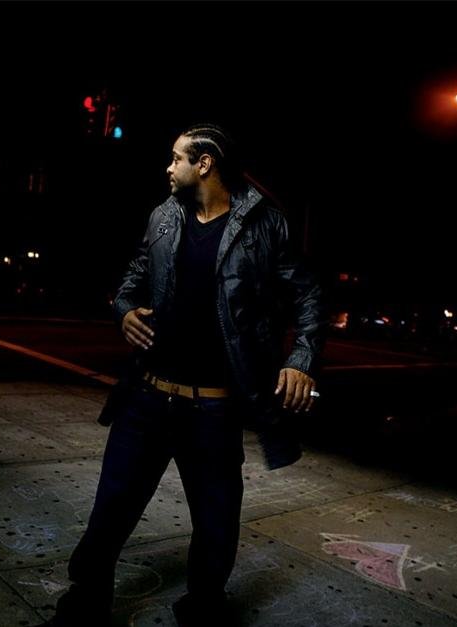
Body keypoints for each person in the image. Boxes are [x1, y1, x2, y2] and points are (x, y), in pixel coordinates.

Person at [43, 123, 327, 626]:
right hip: (147, 399)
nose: (168, 167)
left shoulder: (265, 225)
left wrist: (299, 360)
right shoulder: (164, 216)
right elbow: (133, 277)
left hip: (213, 410)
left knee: (216, 526)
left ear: (205, 163)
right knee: (109, 512)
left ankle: (203, 611)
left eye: (177, 158)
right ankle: (86, 604)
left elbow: (309, 295)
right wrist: (125, 310)